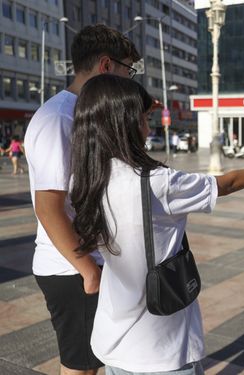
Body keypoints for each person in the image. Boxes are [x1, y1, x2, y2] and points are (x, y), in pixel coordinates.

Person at [69, 74, 244, 375]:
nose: (149, 127)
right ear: (126, 122)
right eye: (145, 118)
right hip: (162, 345)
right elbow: (225, 184)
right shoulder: (156, 183)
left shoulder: (86, 181)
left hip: (114, 340)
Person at [23, 24, 140, 375]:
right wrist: (88, 271)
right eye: (128, 70)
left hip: (88, 261)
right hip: (72, 267)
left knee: (95, 361)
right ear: (106, 65)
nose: (130, 80)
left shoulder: (86, 113)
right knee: (81, 367)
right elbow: (48, 206)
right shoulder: (59, 118)